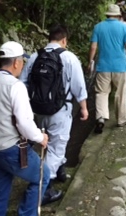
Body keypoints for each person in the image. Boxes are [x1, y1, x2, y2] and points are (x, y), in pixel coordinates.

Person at [0, 41, 62, 216]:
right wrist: (40, 138)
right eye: (22, 61)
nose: (22, 65)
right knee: (42, 176)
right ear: (16, 62)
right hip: (11, 149)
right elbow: (24, 122)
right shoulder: (15, 86)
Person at [20, 24, 88, 185]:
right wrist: (84, 108)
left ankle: (58, 171)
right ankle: (43, 186)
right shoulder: (69, 58)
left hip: (37, 109)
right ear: (64, 40)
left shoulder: (35, 57)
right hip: (60, 110)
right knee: (57, 148)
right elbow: (79, 86)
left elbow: (22, 83)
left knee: (46, 143)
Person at [88, 4, 126, 133]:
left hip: (103, 66)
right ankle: (121, 120)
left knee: (101, 93)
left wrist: (90, 61)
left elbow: (93, 47)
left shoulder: (98, 27)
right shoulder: (124, 27)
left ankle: (100, 118)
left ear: (107, 15)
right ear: (118, 15)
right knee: (120, 94)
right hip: (120, 67)